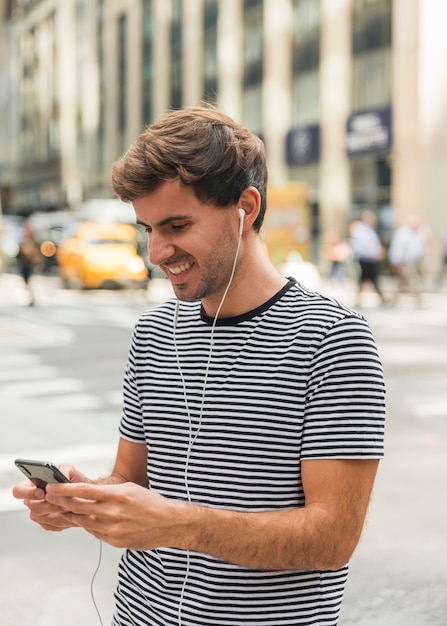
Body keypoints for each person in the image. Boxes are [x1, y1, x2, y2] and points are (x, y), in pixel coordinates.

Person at [13, 106, 385, 626]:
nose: (156, 252)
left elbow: (332, 538)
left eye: (177, 225)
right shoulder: (153, 331)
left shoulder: (332, 337)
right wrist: (85, 501)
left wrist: (176, 526)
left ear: (246, 207)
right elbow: (131, 478)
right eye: (146, 228)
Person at [388, 214, 430, 306]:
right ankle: (420, 300)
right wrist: (395, 261)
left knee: (401, 283)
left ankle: (392, 301)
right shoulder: (403, 233)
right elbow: (397, 248)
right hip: (403, 262)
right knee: (414, 281)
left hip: (410, 262)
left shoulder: (414, 233)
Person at [350, 210, 386, 306]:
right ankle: (381, 298)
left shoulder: (369, 230)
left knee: (369, 278)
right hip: (366, 258)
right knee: (369, 278)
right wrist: (374, 253)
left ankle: (380, 298)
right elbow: (363, 246)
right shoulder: (360, 230)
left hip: (371, 258)